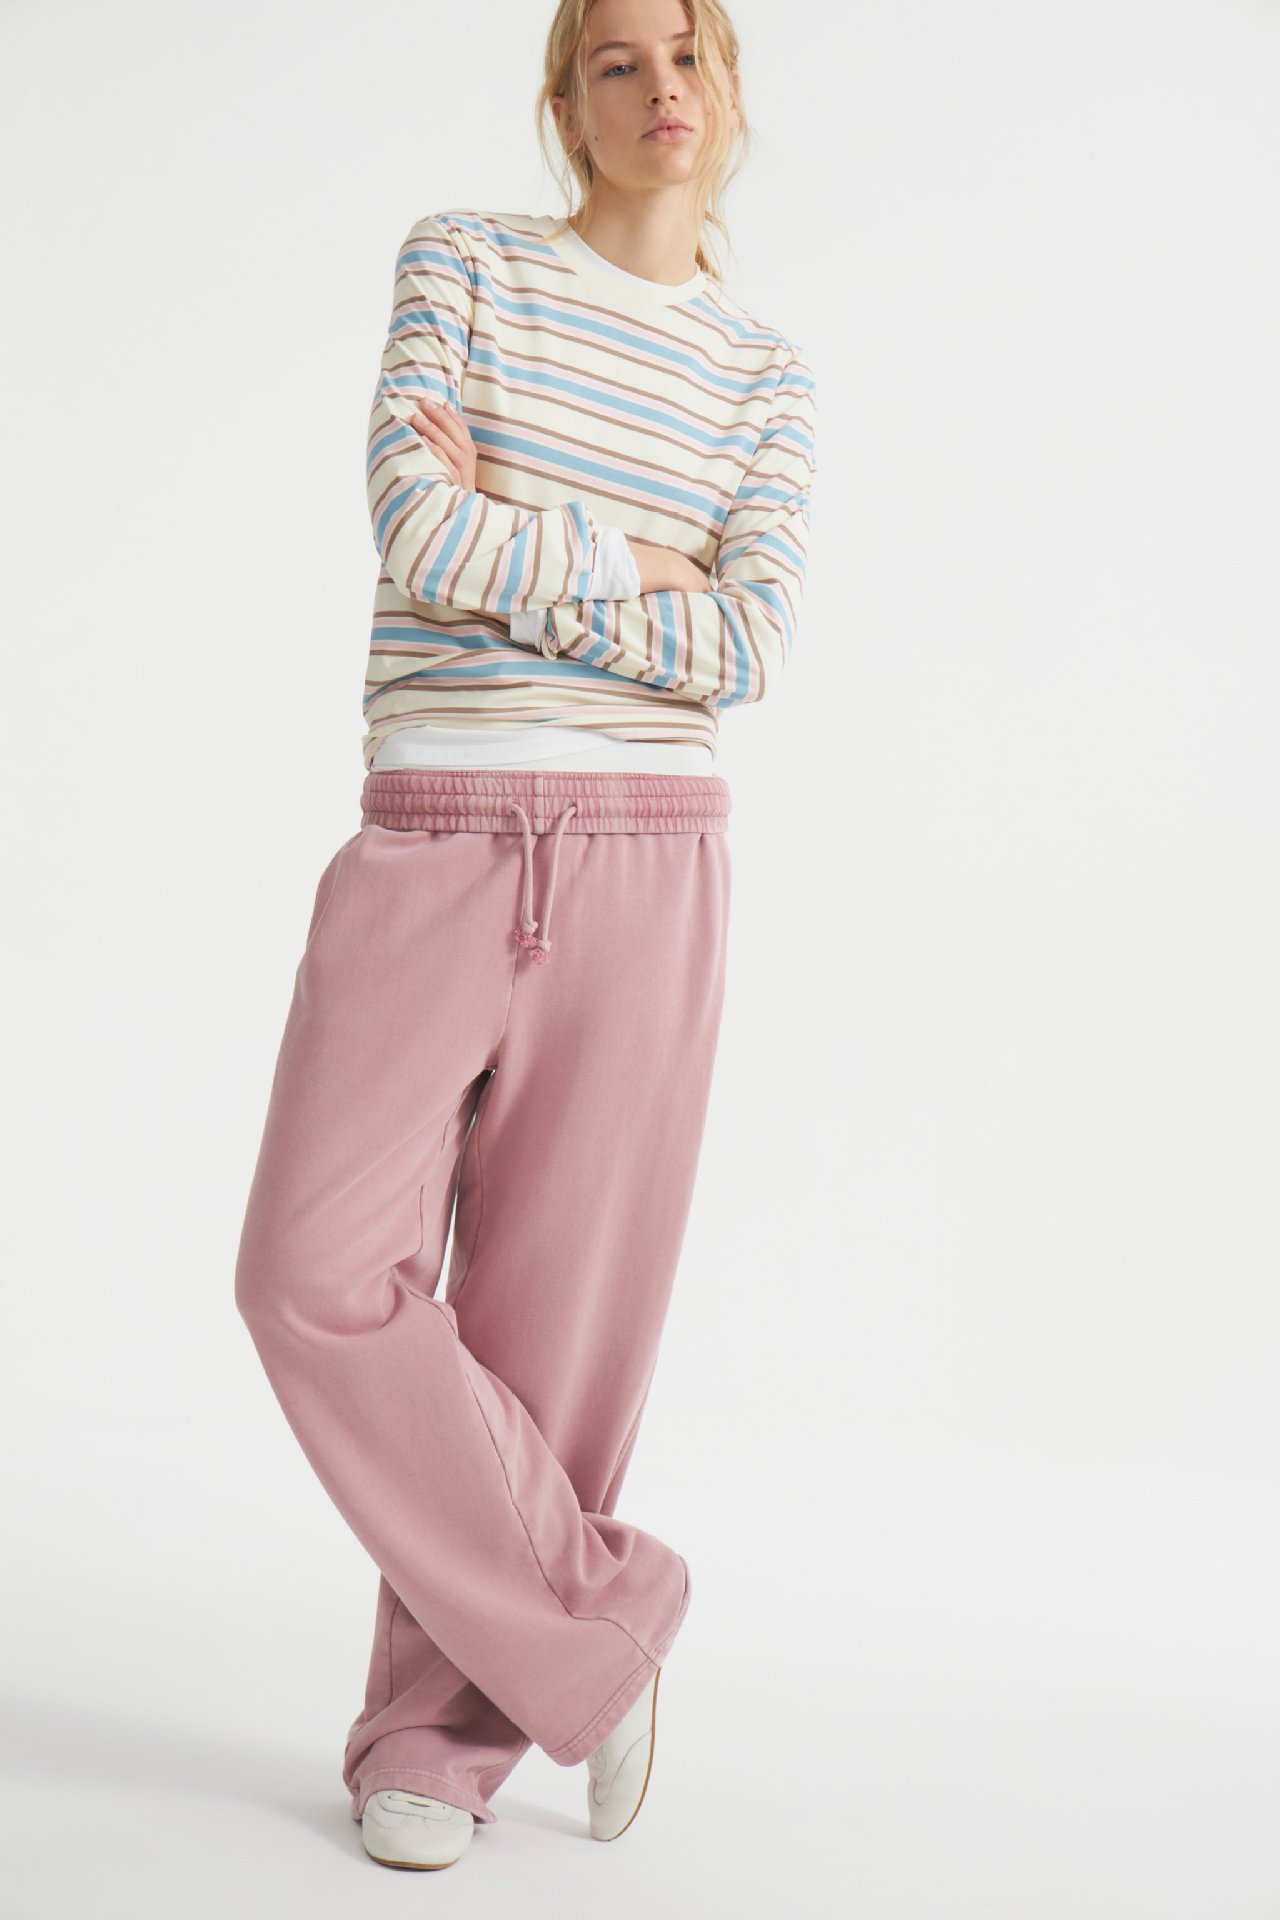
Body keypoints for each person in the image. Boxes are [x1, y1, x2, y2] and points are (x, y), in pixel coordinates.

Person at [233, 0, 817, 1872]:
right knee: (311, 1271)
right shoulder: (466, 264)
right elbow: (416, 525)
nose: (661, 87)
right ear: (564, 103)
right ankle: (600, 1623)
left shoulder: (762, 377)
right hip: (432, 827)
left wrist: (530, 533)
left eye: (688, 53)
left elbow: (745, 644)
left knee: (550, 1336)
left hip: (651, 856)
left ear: (730, 89)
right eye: (616, 61)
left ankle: (439, 1738)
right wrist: (638, 558)